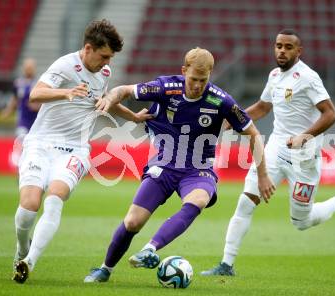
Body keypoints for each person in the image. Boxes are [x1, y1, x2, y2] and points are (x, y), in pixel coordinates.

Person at [83, 47, 276, 283]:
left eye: (203, 80)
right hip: (164, 164)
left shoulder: (221, 100)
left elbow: (254, 134)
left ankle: (150, 249)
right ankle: (105, 269)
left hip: (198, 168)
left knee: (199, 200)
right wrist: (110, 98)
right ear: (184, 71)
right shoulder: (166, 87)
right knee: (133, 221)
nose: (197, 85)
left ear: (210, 76)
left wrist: (263, 174)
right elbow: (122, 90)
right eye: (193, 79)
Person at [201, 29, 335, 276]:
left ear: (299, 51)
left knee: (302, 222)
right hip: (275, 149)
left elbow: (331, 113)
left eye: (288, 47)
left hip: (304, 157)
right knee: (246, 201)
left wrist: (304, 136)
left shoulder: (308, 78)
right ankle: (226, 264)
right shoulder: (275, 75)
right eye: (278, 46)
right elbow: (263, 107)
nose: (282, 51)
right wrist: (229, 120)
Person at [12, 19, 151, 284]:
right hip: (41, 143)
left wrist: (132, 116)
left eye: (110, 58)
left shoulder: (104, 74)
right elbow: (35, 95)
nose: (107, 63)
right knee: (29, 206)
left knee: (55, 198)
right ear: (88, 48)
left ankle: (28, 262)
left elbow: (104, 100)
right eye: (104, 56)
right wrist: (66, 93)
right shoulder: (65, 66)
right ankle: (21, 247)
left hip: (75, 149)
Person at [1, 58, 40, 166]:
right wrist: (8, 111)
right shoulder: (18, 83)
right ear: (23, 69)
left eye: (31, 68)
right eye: (27, 68)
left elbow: (45, 102)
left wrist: (37, 106)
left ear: (34, 69)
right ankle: (20, 169)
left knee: (34, 147)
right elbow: (15, 99)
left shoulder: (39, 83)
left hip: (37, 122)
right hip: (23, 121)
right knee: (22, 142)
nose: (29, 70)